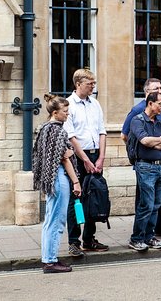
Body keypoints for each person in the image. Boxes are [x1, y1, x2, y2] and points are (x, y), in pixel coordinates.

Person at [121, 78, 161, 238]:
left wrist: (158, 142)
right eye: (156, 88)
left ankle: (159, 227)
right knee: (145, 200)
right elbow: (125, 136)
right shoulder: (138, 111)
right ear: (148, 93)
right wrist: (144, 147)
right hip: (146, 163)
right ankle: (141, 233)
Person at [33, 94, 82, 273]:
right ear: (55, 112)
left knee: (49, 220)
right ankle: (50, 261)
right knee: (57, 221)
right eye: (65, 112)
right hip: (59, 178)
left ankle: (48, 258)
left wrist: (67, 152)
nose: (67, 114)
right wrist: (76, 182)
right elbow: (65, 159)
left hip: (50, 178)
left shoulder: (44, 128)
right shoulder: (58, 130)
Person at [63, 68, 109, 256]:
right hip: (77, 158)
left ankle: (89, 239)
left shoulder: (95, 104)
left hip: (95, 155)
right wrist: (85, 160)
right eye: (90, 83)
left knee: (94, 197)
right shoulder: (69, 105)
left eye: (94, 83)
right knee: (77, 199)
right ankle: (74, 241)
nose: (93, 86)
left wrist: (101, 157)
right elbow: (71, 137)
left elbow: (102, 131)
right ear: (78, 84)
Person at [127, 91, 161, 252]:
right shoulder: (137, 120)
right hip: (145, 166)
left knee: (156, 204)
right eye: (160, 104)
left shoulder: (159, 123)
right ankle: (137, 238)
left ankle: (149, 236)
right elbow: (144, 140)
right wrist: (158, 140)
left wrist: (155, 142)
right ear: (150, 103)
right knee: (146, 204)